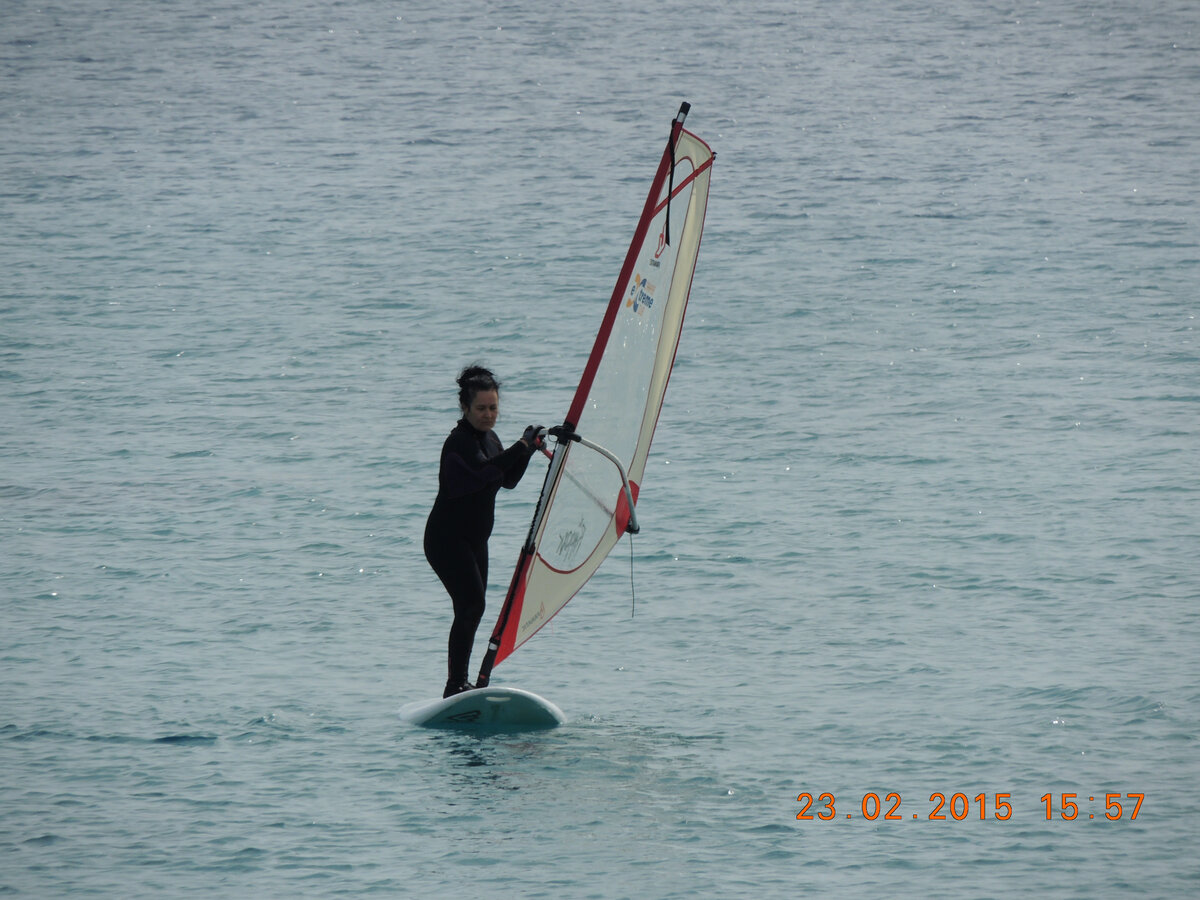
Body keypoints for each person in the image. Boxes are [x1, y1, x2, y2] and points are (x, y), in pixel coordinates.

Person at [424, 365, 542, 698]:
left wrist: (530, 449)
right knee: (471, 605)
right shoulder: (458, 442)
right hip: (446, 540)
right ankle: (454, 685)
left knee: (473, 606)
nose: (488, 415)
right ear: (465, 408)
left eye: (493, 408)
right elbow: (483, 470)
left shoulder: (490, 439)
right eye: (481, 409)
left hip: (476, 540)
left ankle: (461, 684)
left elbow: (507, 479)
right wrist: (522, 445)